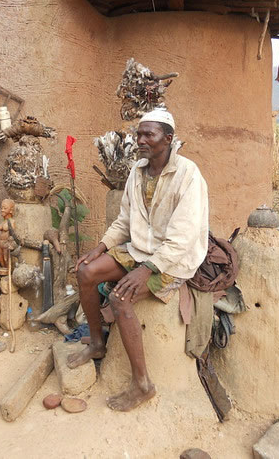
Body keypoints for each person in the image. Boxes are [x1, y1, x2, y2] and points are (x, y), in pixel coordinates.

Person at [68, 108, 209, 412]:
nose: (140, 140)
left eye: (149, 134)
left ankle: (142, 385)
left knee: (120, 297)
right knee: (86, 273)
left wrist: (147, 270)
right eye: (139, 134)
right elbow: (123, 221)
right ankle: (96, 342)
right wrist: (101, 247)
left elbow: (183, 238)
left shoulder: (188, 175)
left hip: (173, 259)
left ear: (168, 139)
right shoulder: (137, 171)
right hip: (140, 250)